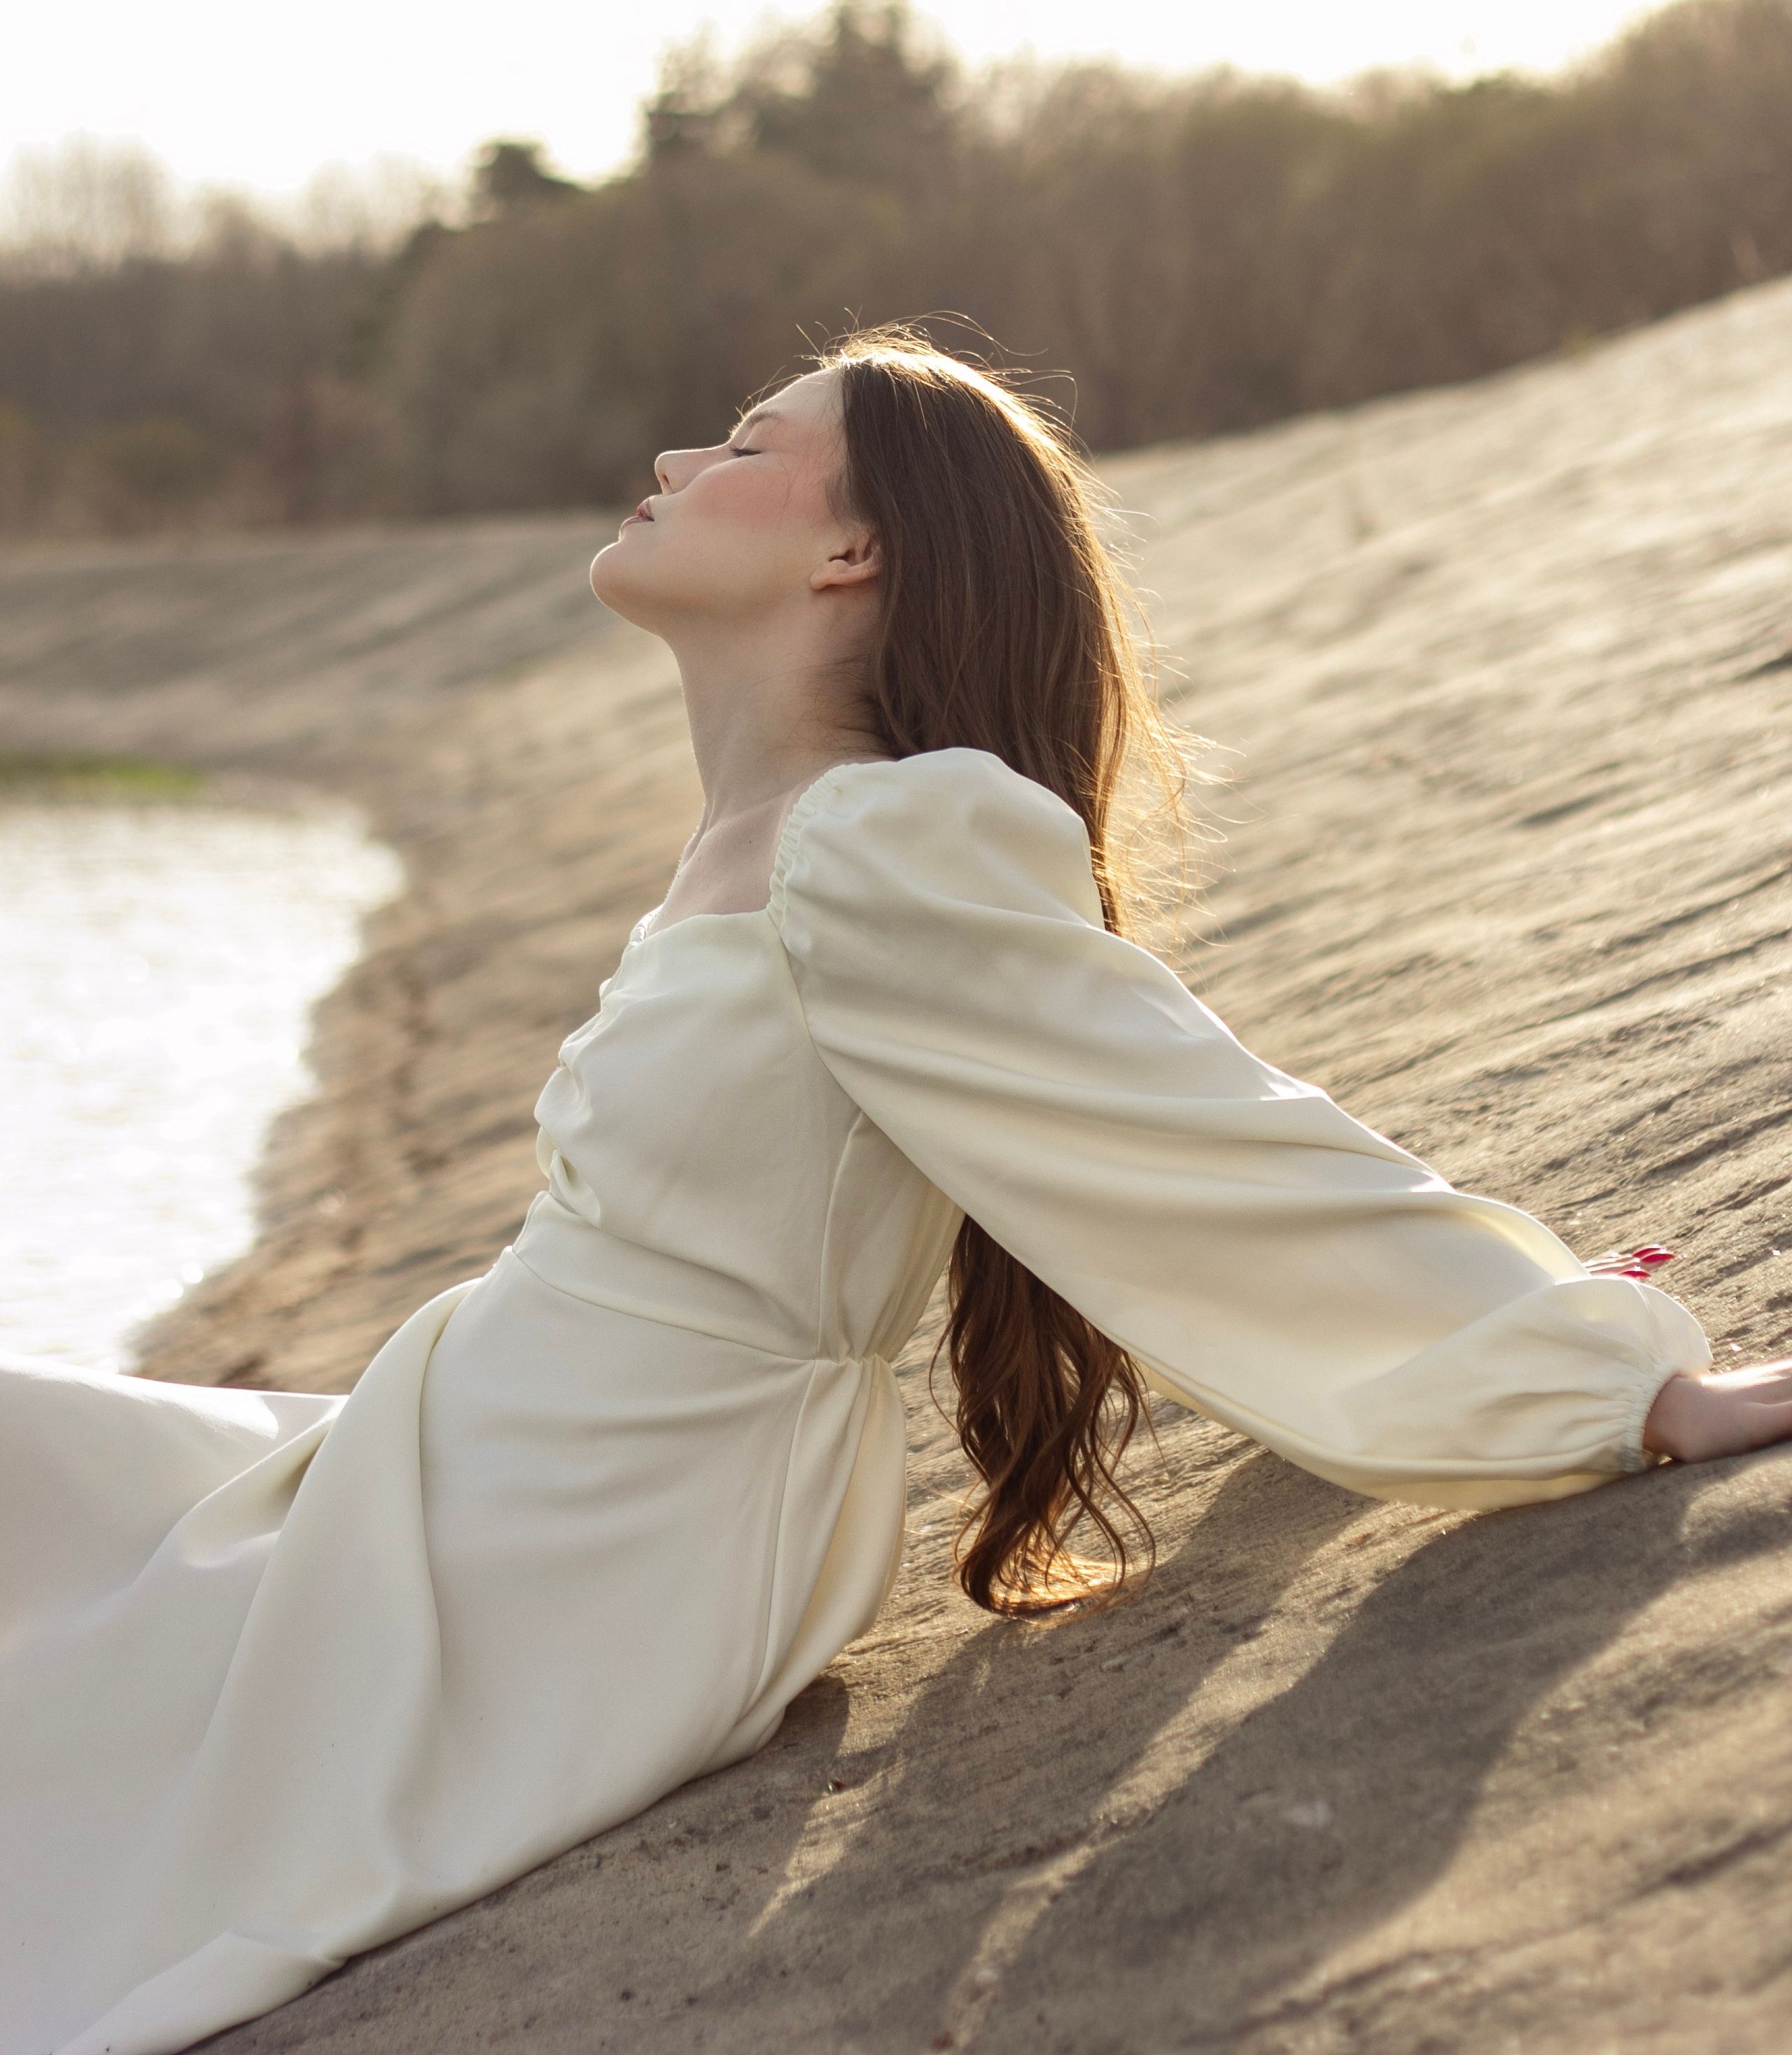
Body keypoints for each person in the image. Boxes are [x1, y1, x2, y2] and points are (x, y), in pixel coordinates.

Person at [3, 330, 1787, 2055]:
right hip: (488, 1443)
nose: (673, 465)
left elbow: (1195, 1135)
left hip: (583, 1541)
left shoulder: (880, 834)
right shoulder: (764, 836)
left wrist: (1606, 1384)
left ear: (854, 550)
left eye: (743, 444)